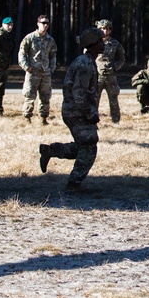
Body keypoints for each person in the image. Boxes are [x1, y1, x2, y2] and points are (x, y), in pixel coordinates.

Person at [39, 28, 104, 192]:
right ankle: (73, 184)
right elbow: (78, 92)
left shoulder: (87, 61)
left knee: (83, 145)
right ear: (92, 45)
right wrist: (89, 112)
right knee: (89, 147)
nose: (103, 44)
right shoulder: (85, 64)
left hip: (74, 110)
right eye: (100, 41)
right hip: (77, 111)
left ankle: (51, 150)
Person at [18, 15, 58, 124]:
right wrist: (27, 67)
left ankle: (43, 118)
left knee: (45, 97)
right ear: (38, 23)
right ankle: (27, 118)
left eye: (47, 23)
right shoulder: (29, 38)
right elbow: (22, 54)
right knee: (29, 96)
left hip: (45, 73)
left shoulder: (50, 40)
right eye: (43, 23)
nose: (45, 25)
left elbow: (53, 55)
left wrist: (51, 68)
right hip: (33, 72)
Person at [94, 19, 126, 123]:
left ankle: (115, 120)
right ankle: (92, 120)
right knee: (94, 99)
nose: (104, 31)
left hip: (110, 76)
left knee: (113, 99)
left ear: (110, 30)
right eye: (102, 28)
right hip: (97, 75)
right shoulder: (93, 42)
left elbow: (122, 58)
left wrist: (115, 67)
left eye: (106, 29)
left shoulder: (115, 44)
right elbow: (86, 57)